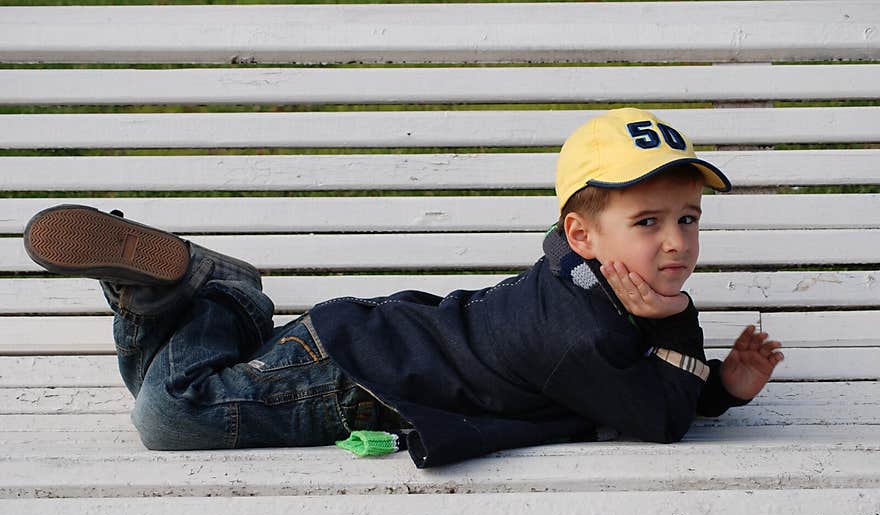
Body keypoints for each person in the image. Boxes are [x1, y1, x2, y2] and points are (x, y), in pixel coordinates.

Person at [23, 107, 784, 468]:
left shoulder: (591, 287)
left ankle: (187, 301)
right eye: (647, 221)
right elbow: (656, 416)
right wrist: (684, 332)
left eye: (688, 218)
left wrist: (722, 386)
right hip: (345, 375)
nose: (676, 241)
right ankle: (211, 294)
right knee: (167, 416)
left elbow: (655, 383)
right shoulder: (573, 330)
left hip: (358, 344)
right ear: (582, 235)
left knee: (166, 381)